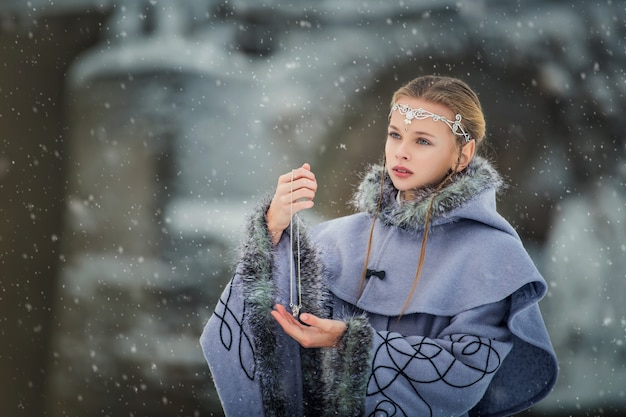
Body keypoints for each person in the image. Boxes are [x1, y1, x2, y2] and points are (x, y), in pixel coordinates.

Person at [200, 75, 558, 416]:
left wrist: (349, 343)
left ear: (462, 154)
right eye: (394, 134)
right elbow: (254, 329)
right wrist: (273, 232)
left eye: (422, 141)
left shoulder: (492, 256)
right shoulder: (334, 238)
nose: (401, 152)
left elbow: (464, 371)